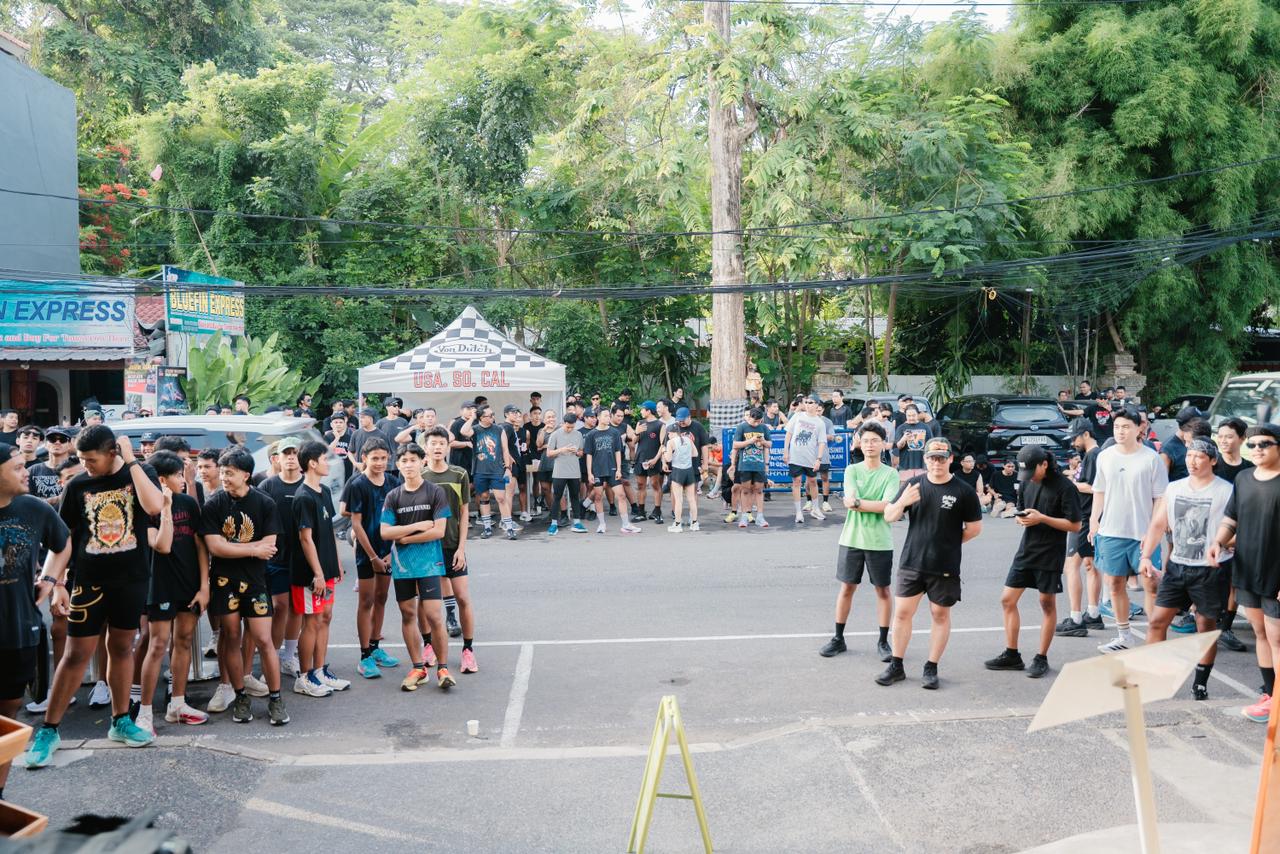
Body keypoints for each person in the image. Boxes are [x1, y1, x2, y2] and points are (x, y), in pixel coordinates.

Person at [24, 427, 163, 767]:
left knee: (121, 648)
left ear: (112, 452)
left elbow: (154, 506)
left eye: (91, 459)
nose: (85, 465)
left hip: (131, 581)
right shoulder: (77, 486)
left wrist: (132, 460)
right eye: (82, 459)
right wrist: (57, 582)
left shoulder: (139, 473)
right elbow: (64, 539)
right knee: (75, 654)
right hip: (89, 582)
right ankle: (49, 730)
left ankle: (120, 720)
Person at [877, 438, 982, 690]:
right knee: (902, 614)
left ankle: (931, 666)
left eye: (942, 458)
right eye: (933, 458)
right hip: (912, 561)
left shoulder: (964, 491)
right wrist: (902, 502)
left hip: (945, 565)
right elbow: (889, 516)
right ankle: (897, 665)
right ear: (925, 459)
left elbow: (974, 529)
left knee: (940, 614)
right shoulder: (913, 485)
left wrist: (948, 542)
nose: (937, 463)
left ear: (950, 459)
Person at [199, 447, 289, 725]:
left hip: (255, 581)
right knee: (231, 637)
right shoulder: (214, 504)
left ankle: (276, 699)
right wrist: (252, 549)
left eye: (230, 473)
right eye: (222, 472)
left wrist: (235, 548)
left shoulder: (264, 503)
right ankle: (239, 696)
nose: (224, 478)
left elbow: (269, 547)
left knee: (264, 639)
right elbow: (215, 547)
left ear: (246, 475)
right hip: (223, 582)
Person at [1138, 439, 1232, 700]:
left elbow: (1238, 529)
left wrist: (1223, 544)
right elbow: (1158, 524)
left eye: (1199, 456)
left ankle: (1200, 683)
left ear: (1212, 460)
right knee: (1157, 621)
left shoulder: (1226, 491)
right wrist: (1146, 557)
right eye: (1189, 456)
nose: (1192, 461)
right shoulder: (1174, 487)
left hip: (1210, 569)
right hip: (1177, 566)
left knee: (1205, 625)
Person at [1, 444, 71, 781]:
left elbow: (63, 543)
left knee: (7, 723)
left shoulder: (33, 508)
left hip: (19, 632)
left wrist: (51, 580)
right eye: (16, 468)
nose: (26, 472)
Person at [984, 446, 1081, 679]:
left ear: (1044, 464)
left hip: (1051, 552)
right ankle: (1012, 654)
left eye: (1031, 472)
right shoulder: (1027, 482)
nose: (1028, 478)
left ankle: (1041, 657)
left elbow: (1075, 525)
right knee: (1007, 600)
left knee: (1046, 603)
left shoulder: (1065, 487)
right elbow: (1021, 510)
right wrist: (1022, 519)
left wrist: (1043, 518)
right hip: (1026, 549)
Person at [1209, 423, 1280, 722]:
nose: (1257, 449)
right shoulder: (1244, 478)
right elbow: (1232, 517)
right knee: (1260, 633)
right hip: (1247, 568)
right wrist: (1218, 541)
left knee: (1277, 639)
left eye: (1265, 444)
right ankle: (1270, 695)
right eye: (1252, 445)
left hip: (1275, 573)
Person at [137, 451, 210, 731]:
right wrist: (165, 507)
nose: (183, 479)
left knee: (184, 640)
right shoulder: (145, 508)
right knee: (157, 645)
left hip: (189, 583)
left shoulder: (189, 503)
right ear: (162, 480)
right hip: (160, 585)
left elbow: (200, 545)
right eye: (178, 475)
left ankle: (177, 704)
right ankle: (144, 713)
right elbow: (163, 545)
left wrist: (204, 586)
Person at [1090, 408, 1169, 654]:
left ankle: (1154, 641)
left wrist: (1153, 530)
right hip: (1111, 532)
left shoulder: (1151, 459)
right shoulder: (1105, 456)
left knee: (1151, 584)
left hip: (1143, 534)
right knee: (1114, 584)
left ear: (1138, 429)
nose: (1120, 431)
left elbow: (1160, 498)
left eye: (1126, 427)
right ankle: (1124, 636)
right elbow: (1099, 491)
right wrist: (1094, 520)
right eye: (1117, 427)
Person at [820, 423, 898, 662]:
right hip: (851, 538)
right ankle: (838, 638)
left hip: (880, 541)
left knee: (883, 590)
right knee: (847, 588)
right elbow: (849, 501)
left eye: (875, 440)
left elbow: (887, 506)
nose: (870, 445)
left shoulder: (890, 474)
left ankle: (883, 641)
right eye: (865, 441)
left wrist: (858, 503)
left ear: (883, 444)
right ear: (859, 444)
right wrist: (865, 504)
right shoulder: (852, 470)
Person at [380, 443, 455, 691]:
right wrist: (417, 527)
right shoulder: (393, 496)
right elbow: (385, 532)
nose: (409, 465)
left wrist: (405, 539)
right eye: (404, 461)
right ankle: (418, 667)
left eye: (413, 460)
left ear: (422, 462)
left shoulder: (435, 492)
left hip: (429, 564)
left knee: (434, 616)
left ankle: (443, 668)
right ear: (398, 465)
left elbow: (439, 531)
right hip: (403, 567)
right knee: (408, 615)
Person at [290, 440, 348, 698]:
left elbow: (329, 530)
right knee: (312, 622)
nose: (329, 463)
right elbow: (305, 539)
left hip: (327, 569)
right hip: (310, 574)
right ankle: (304, 678)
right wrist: (318, 574)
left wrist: (336, 563)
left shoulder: (323, 490)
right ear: (312, 463)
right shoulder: (303, 497)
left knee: (325, 617)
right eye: (325, 459)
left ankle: (320, 670)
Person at [343, 436, 402, 680]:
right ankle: (364, 654)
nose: (379, 462)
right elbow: (356, 524)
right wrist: (373, 556)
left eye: (383, 458)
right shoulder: (358, 484)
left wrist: (389, 550)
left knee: (381, 598)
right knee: (366, 601)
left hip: (387, 551)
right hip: (366, 552)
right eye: (374, 458)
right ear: (364, 458)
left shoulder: (394, 482)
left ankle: (376, 647)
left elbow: (397, 518)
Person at [422, 427, 476, 672]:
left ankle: (468, 650)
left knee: (463, 597)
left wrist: (461, 548)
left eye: (441, 443)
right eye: (433, 443)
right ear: (426, 447)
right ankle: (428, 646)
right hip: (427, 548)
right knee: (427, 602)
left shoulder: (459, 474)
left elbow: (464, 513)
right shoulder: (419, 475)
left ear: (447, 447)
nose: (437, 447)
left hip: (453, 545)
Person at [258, 439, 305, 683]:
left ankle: (288, 655)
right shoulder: (267, 485)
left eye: (295, 453)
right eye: (286, 453)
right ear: (277, 458)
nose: (291, 457)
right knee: (280, 606)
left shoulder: (309, 484)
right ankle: (272, 658)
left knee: (297, 608)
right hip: (276, 557)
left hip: (302, 557)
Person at [1056, 418, 1106, 637]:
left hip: (1086, 517)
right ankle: (1093, 613)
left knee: (1071, 566)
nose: (1073, 443)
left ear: (1086, 434)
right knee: (1090, 564)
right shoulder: (1092, 455)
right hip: (1089, 516)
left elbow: (1096, 487)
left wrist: (1069, 484)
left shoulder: (1094, 455)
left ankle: (1076, 618)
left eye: (1075, 438)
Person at [1213, 417, 1252, 652]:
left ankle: (1225, 627)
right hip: (1212, 533)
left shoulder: (1249, 469)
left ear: (1242, 439)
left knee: (1234, 584)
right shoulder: (1212, 464)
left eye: (1229, 436)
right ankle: (1200, 619)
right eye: (1221, 436)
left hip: (1240, 535)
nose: (1224, 440)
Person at [464, 405, 516, 540]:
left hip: (497, 470)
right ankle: (487, 528)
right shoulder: (475, 429)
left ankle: (509, 528)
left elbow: (505, 449)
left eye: (493, 414)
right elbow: (464, 431)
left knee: (501, 498)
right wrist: (472, 418)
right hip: (480, 470)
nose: (493, 417)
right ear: (481, 418)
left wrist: (508, 469)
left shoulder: (499, 429)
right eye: (490, 415)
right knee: (484, 497)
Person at [586, 406, 641, 534]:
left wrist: (618, 469)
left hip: (612, 469)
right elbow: (589, 455)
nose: (608, 418)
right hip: (597, 470)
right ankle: (602, 524)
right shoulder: (591, 434)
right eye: (605, 416)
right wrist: (589, 473)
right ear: (598, 417)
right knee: (598, 496)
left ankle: (626, 524)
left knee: (621, 495)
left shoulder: (614, 432)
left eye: (608, 415)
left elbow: (618, 452)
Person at [784, 396, 827, 524]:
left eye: (811, 402)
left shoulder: (820, 422)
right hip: (795, 456)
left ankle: (815, 508)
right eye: (806, 402)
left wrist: (819, 459)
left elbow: (822, 442)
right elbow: (788, 433)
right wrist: (785, 451)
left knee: (812, 481)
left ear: (817, 405)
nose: (808, 404)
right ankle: (798, 512)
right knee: (796, 482)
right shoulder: (797, 416)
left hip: (810, 457)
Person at [546, 413, 587, 535]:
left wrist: (577, 452)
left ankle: (577, 522)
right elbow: (549, 453)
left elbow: (581, 452)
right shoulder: (555, 434)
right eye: (568, 427)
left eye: (572, 427)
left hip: (574, 471)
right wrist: (561, 450)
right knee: (557, 497)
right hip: (559, 472)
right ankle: (554, 524)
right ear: (564, 423)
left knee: (575, 496)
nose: (570, 429)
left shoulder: (578, 434)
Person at [731, 407, 770, 529]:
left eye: (759, 421)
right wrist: (750, 441)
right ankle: (744, 517)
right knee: (745, 490)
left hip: (759, 464)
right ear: (750, 417)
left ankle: (760, 517)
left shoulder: (764, 428)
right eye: (755, 421)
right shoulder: (742, 427)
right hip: (745, 464)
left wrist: (763, 441)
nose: (757, 424)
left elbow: (769, 444)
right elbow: (735, 445)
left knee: (759, 490)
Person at [663, 421, 700, 532]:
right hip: (689, 471)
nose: (668, 435)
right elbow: (695, 454)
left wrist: (664, 452)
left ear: (671, 432)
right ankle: (694, 524)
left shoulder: (670, 442)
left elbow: (668, 459)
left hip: (678, 471)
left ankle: (678, 524)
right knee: (691, 499)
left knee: (678, 500)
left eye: (668, 433)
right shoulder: (688, 440)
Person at [634, 402, 665, 524]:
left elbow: (662, 445)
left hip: (653, 459)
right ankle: (641, 512)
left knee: (655, 485)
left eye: (642, 409)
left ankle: (657, 512)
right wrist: (637, 432)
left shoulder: (660, 425)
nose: (641, 411)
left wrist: (656, 459)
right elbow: (633, 442)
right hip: (640, 458)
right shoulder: (640, 423)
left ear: (649, 411)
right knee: (640, 485)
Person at [28, 426, 73, 504]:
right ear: (45, 444)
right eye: (52, 439)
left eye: (63, 440)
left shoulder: (76, 469)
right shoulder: (32, 470)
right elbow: (26, 500)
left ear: (69, 445)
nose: (57, 442)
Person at [892, 406, 929, 482]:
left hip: (922, 464)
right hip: (905, 465)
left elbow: (930, 444)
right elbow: (897, 447)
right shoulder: (901, 428)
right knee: (905, 485)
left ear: (918, 414)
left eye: (913, 415)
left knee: (922, 485)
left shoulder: (925, 427)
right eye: (909, 416)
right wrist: (904, 438)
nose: (911, 418)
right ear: (905, 415)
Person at [347, 407, 384, 474]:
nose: (360, 420)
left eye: (363, 417)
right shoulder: (356, 433)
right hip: (358, 472)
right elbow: (350, 452)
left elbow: (387, 455)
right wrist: (355, 463)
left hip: (375, 473)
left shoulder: (381, 435)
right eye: (360, 417)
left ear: (370, 419)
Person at [324, 411, 353, 481]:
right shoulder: (327, 437)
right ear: (331, 424)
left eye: (341, 422)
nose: (338, 424)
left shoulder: (349, 438)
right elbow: (327, 452)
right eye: (336, 422)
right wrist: (337, 438)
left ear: (344, 424)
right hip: (331, 471)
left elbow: (353, 454)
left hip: (347, 471)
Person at [449, 401, 477, 473]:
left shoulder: (476, 423)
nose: (471, 411)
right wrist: (466, 443)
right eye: (468, 409)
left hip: (473, 462)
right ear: (461, 411)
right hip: (459, 462)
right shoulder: (456, 423)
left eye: (473, 409)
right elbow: (451, 443)